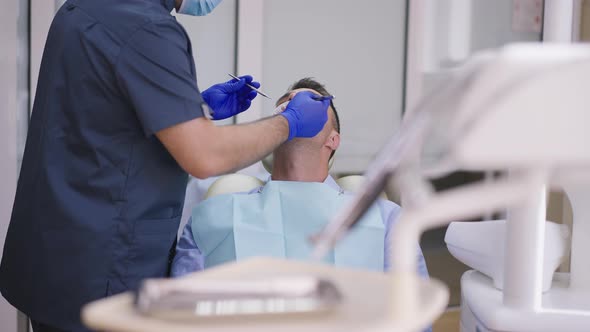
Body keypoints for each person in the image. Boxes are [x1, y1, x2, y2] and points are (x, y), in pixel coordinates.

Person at [0, 1, 330, 331]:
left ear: (335, 140)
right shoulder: (147, 29)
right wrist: (289, 122)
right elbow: (206, 156)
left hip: (52, 260)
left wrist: (192, 108)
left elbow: (101, 119)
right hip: (97, 273)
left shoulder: (85, 7)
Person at [171, 78, 429, 279]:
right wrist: (196, 112)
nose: (296, 106)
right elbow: (178, 311)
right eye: (287, 106)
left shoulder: (386, 219)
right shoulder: (213, 213)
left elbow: (413, 311)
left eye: (312, 103)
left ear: (333, 139)